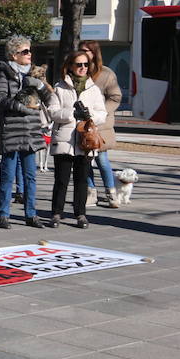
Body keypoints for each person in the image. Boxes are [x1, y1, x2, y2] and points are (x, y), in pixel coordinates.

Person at [0, 36, 52, 229]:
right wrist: (19, 106)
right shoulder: (4, 74)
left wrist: (40, 85)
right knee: (8, 175)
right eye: (25, 52)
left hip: (32, 130)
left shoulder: (35, 74)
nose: (29, 54)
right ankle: (3, 214)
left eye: (30, 51)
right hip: (12, 130)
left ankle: (31, 214)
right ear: (14, 55)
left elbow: (49, 99)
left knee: (30, 176)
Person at [46, 51, 109, 228]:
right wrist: (71, 114)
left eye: (86, 65)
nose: (82, 68)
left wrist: (89, 117)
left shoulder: (94, 89)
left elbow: (102, 114)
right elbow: (52, 111)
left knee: (82, 180)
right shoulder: (59, 87)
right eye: (79, 64)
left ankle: (80, 214)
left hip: (86, 140)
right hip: (64, 140)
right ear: (70, 66)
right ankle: (56, 213)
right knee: (61, 179)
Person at [77, 40, 122, 207]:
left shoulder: (106, 74)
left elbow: (115, 97)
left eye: (86, 51)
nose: (83, 53)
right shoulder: (78, 70)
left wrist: (101, 112)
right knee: (85, 159)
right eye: (81, 50)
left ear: (94, 53)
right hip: (82, 123)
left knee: (102, 159)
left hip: (100, 124)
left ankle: (111, 192)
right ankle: (90, 192)